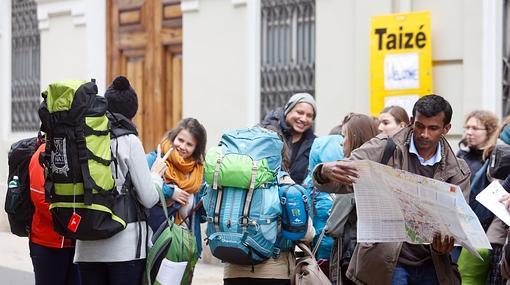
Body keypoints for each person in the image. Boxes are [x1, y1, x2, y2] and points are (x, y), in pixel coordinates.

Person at [313, 95, 471, 285]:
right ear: (412, 122)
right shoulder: (385, 146)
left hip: (434, 266)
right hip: (388, 264)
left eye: (433, 128)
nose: (424, 134)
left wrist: (446, 244)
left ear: (446, 129)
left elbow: (457, 221)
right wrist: (324, 171)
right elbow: (343, 176)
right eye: (420, 126)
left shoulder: (458, 169)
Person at [74, 76, 167, 285]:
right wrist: (156, 176)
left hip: (86, 247)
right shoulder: (129, 140)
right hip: (125, 249)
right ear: (132, 111)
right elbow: (148, 197)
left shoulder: (82, 138)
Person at [222, 127, 316, 285]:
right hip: (274, 273)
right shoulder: (285, 183)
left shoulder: (231, 182)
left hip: (233, 271)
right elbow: (306, 233)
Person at [29, 141, 81, 285]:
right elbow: (39, 197)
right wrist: (71, 224)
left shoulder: (79, 148)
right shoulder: (42, 152)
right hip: (48, 243)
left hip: (77, 242)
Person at [146, 118, 207, 237]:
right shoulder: (155, 159)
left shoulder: (198, 173)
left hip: (188, 244)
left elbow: (201, 217)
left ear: (196, 148)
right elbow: (143, 189)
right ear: (174, 137)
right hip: (158, 239)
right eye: (180, 140)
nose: (182, 147)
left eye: (189, 144)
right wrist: (170, 192)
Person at [260, 93, 317, 184]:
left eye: (309, 116)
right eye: (300, 112)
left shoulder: (314, 144)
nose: (303, 119)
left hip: (297, 197)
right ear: (288, 110)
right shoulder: (267, 132)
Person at [457, 110, 499, 178]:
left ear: (489, 131)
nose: (469, 132)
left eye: (475, 128)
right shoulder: (462, 154)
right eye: (467, 128)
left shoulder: (495, 158)